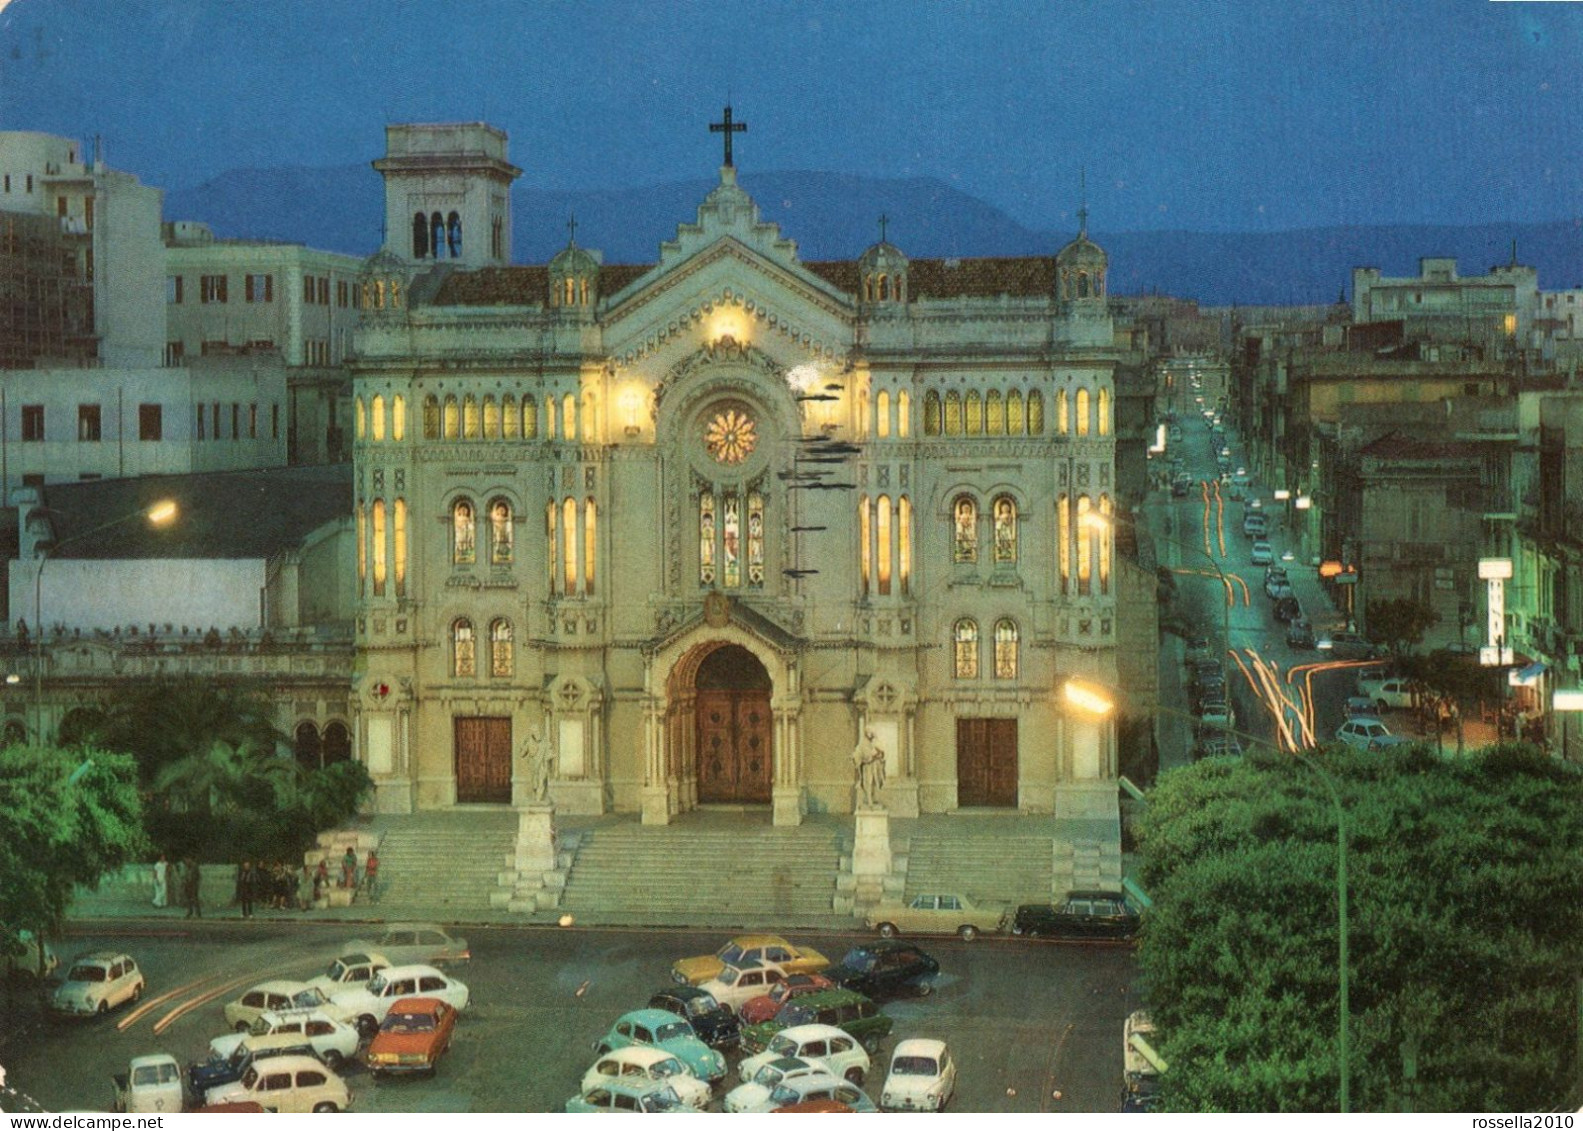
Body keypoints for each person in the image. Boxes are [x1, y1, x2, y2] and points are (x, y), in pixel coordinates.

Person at [521, 728, 554, 803]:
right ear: (532, 734)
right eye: (535, 732)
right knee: (534, 784)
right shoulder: (529, 742)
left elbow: (550, 753)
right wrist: (523, 743)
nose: (537, 733)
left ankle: (539, 799)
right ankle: (536, 798)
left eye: (538, 731)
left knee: (542, 781)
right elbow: (522, 754)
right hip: (533, 766)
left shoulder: (544, 743)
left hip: (542, 765)